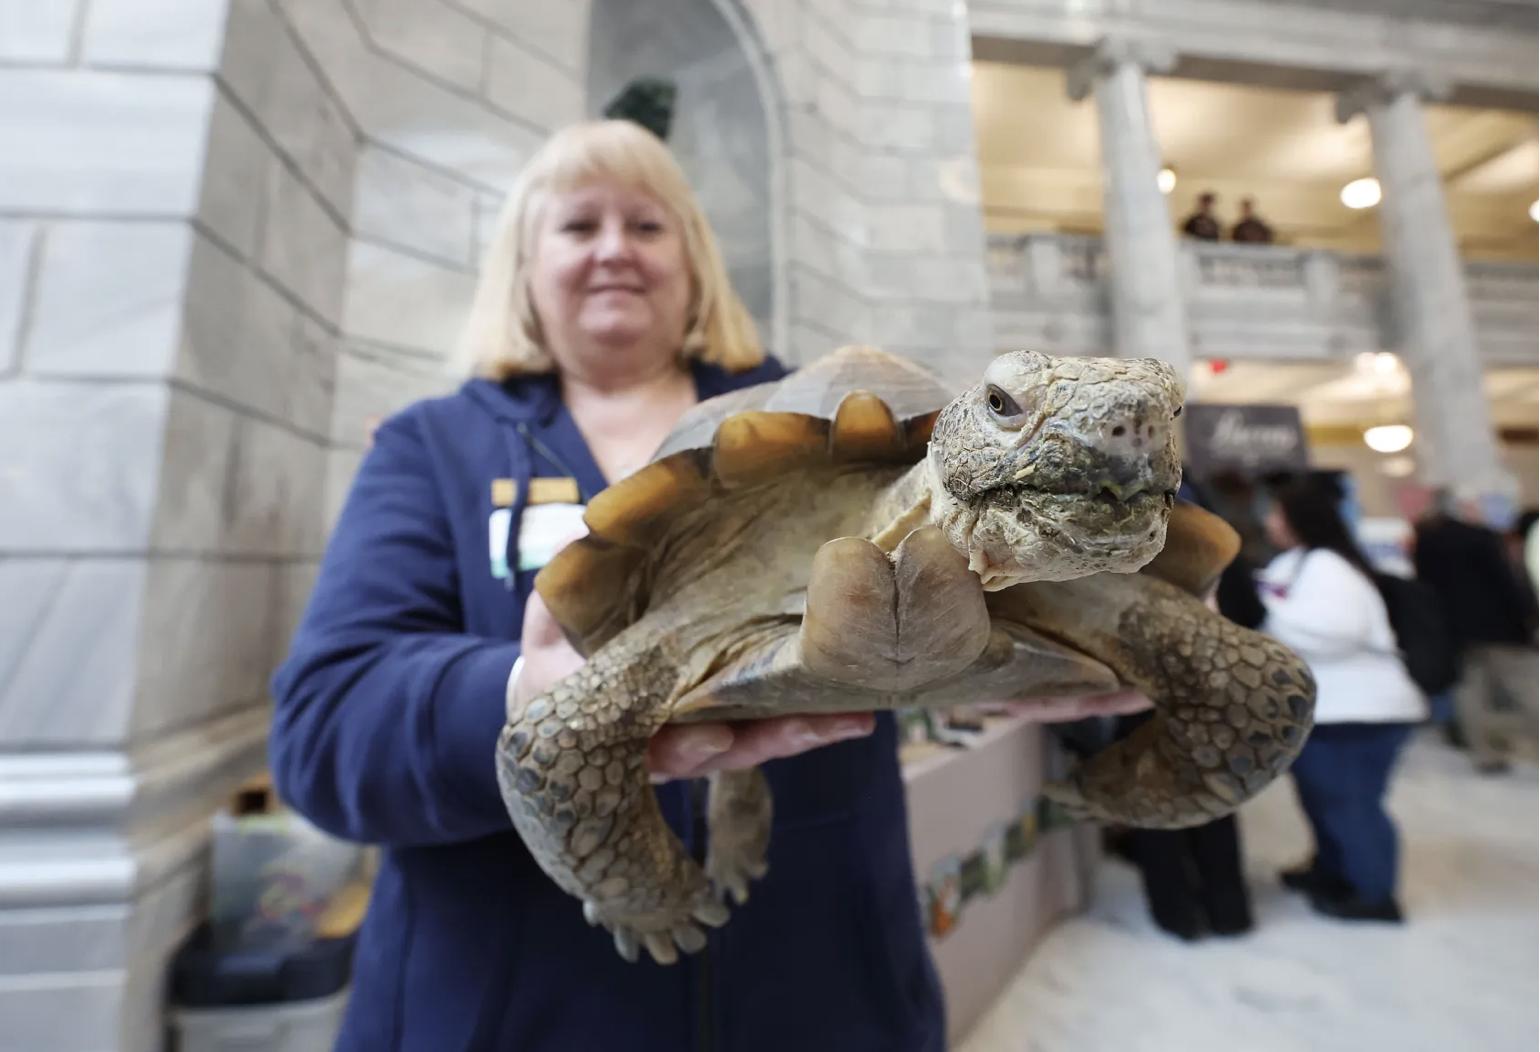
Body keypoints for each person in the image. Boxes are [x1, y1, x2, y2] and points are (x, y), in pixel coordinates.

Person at [269, 119, 1148, 1052]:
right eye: (577, 227)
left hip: (825, 985)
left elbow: (993, 514)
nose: (614, 249)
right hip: (506, 997)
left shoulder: (839, 415)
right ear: (521, 268)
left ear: (695, 261)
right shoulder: (431, 446)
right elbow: (327, 731)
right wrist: (519, 696)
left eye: (647, 226)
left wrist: (1120, 585)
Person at [1257, 479, 1425, 923]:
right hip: (1330, 709)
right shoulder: (1303, 563)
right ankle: (1334, 871)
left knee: (1350, 803)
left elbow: (1336, 631)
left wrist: (1270, 617)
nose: (1268, 521)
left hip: (1359, 710)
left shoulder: (1330, 567)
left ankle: (1373, 894)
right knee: (1323, 799)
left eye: (1276, 513)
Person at [1109, 476, 1260, 941]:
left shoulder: (1125, 554)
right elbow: (1250, 612)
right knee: (1212, 802)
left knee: (1156, 804)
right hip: (1211, 691)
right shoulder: (1221, 548)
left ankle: (1177, 913)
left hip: (1144, 689)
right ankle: (1228, 909)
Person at [1413, 493, 1538, 773]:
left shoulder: (1428, 540)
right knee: (1528, 686)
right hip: (1500, 629)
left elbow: (1424, 585)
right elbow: (1506, 583)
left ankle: (1485, 753)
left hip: (1454, 629)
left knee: (1469, 691)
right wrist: (1527, 617)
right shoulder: (1483, 538)